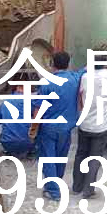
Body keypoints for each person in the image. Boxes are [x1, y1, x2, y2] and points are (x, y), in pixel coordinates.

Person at [71, 47, 107, 198]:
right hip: (101, 127)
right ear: (106, 61)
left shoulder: (84, 78)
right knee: (95, 157)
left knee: (81, 155)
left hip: (85, 124)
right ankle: (88, 190)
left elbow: (80, 96)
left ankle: (77, 187)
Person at [35, 49, 82, 201]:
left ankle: (53, 191)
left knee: (48, 158)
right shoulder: (75, 79)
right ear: (68, 64)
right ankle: (57, 182)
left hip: (48, 128)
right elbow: (86, 69)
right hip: (66, 128)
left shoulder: (46, 83)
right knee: (61, 157)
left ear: (52, 64)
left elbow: (38, 109)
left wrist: (33, 128)